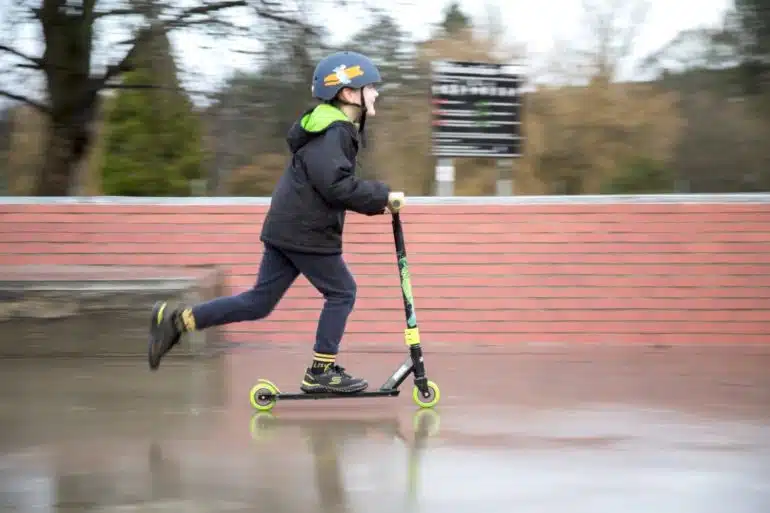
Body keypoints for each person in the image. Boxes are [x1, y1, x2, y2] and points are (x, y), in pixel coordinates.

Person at [147, 51, 404, 395]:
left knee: (258, 303)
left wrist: (374, 197)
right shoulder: (334, 130)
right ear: (347, 93)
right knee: (342, 292)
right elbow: (336, 185)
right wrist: (381, 196)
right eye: (369, 87)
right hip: (305, 231)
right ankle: (321, 371)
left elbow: (331, 180)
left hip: (288, 228)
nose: (375, 93)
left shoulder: (325, 127)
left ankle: (178, 321)